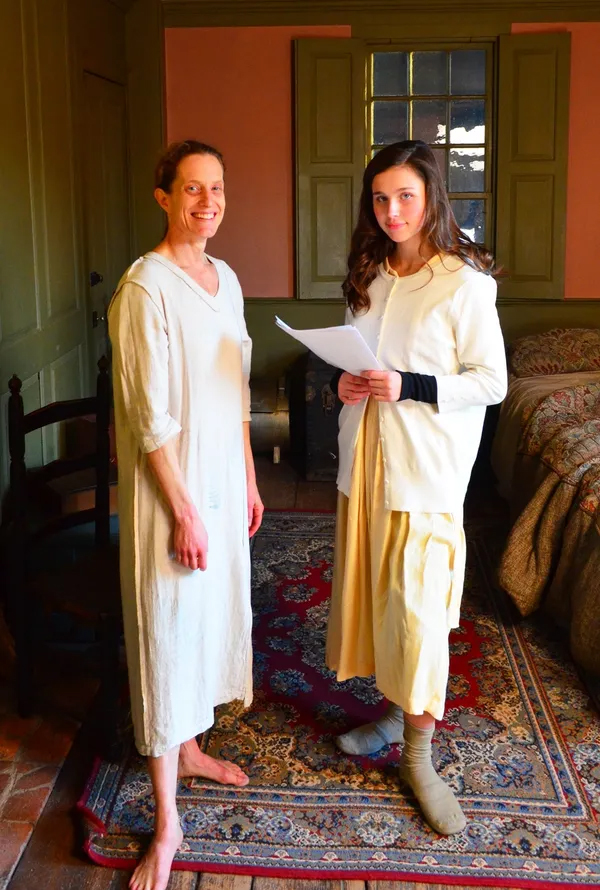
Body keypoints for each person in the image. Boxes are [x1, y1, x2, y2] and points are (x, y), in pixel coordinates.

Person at [326, 140, 507, 836]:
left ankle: (419, 759)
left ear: (431, 197)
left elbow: (492, 382)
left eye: (405, 195)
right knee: (382, 601)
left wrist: (411, 386)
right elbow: (360, 361)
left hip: (425, 473)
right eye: (380, 198)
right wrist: (343, 385)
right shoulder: (370, 274)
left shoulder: (464, 282)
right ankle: (393, 713)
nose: (392, 210)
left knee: (420, 616)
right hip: (365, 463)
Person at [108, 140, 264, 890]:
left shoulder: (225, 279)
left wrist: (249, 479)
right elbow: (148, 418)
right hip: (172, 491)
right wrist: (184, 511)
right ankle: (167, 823)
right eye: (193, 188)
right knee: (168, 634)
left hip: (223, 481)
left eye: (217, 188)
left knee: (207, 618)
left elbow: (236, 388)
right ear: (164, 197)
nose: (208, 201)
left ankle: (193, 748)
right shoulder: (145, 288)